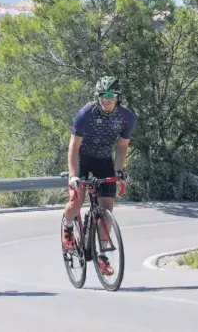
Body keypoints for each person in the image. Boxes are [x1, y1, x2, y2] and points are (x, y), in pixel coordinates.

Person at [63, 76, 136, 276]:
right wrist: (73, 176)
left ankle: (102, 253)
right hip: (83, 157)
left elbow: (121, 148)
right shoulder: (86, 113)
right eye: (102, 95)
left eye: (110, 95)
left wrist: (120, 171)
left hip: (104, 159)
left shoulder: (126, 118)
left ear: (118, 97)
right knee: (76, 201)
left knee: (107, 207)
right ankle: (68, 226)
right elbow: (73, 146)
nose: (106, 99)